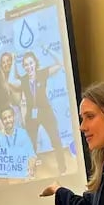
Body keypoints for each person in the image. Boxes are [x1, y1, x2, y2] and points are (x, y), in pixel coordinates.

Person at [19, 47, 67, 175]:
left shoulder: (42, 73)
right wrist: (24, 118)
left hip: (45, 111)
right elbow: (13, 85)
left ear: (35, 63)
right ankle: (31, 171)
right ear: (23, 67)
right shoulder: (23, 80)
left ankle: (62, 169)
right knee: (31, 144)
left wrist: (49, 50)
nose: (29, 67)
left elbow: (60, 63)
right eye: (26, 65)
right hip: (30, 114)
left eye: (31, 63)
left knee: (55, 139)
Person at [0, 108, 37, 177]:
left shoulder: (22, 133)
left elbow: (31, 155)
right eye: (5, 119)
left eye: (9, 117)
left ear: (14, 117)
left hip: (23, 173)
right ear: (2, 121)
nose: (8, 120)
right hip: (7, 175)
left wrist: (30, 170)